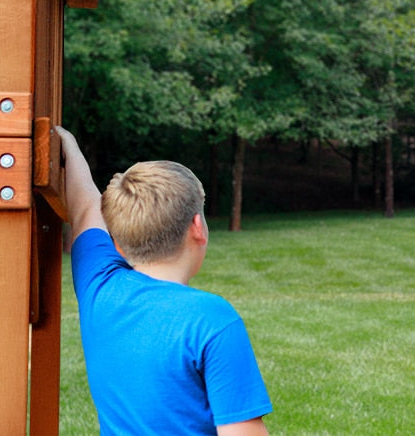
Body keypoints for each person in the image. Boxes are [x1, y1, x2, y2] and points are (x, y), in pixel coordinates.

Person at [56, 126, 273, 435]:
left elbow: (85, 206)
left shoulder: (99, 288)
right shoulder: (211, 319)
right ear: (197, 227)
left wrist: (70, 148)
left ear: (118, 243)